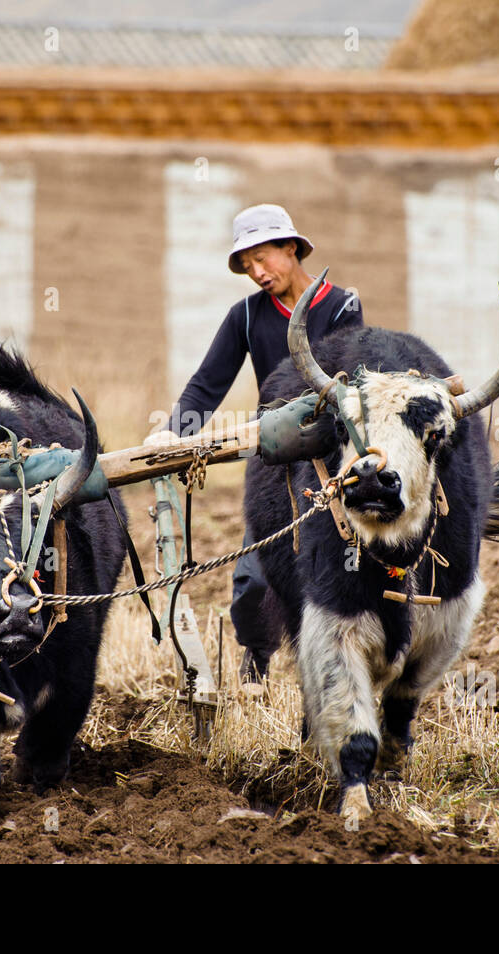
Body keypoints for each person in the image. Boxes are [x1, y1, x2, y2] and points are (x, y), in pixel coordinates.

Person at [146, 204, 364, 689]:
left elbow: (345, 378)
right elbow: (207, 384)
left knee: (335, 568)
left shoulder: (342, 307)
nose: (257, 273)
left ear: (292, 247)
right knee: (252, 582)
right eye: (247, 266)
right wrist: (174, 431)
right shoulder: (245, 315)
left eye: (263, 259)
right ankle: (258, 653)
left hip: (328, 458)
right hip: (270, 462)